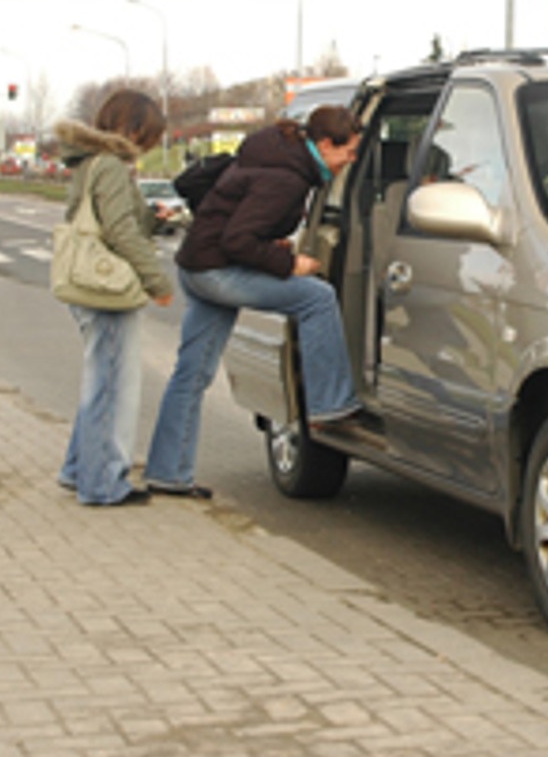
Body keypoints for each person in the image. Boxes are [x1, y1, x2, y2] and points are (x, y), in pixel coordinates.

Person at [142, 106, 365, 499]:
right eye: (348, 153)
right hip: (216, 272)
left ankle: (168, 473)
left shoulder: (274, 154)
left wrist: (268, 245)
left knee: (191, 375)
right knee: (317, 297)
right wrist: (290, 262)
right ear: (326, 144)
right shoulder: (288, 179)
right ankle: (330, 406)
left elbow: (239, 226)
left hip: (198, 265)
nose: (351, 161)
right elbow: (238, 241)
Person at [54, 91, 175, 507]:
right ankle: (103, 483)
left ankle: (78, 470)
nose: (149, 146)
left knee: (98, 381)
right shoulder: (108, 165)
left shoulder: (90, 161)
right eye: (150, 137)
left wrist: (151, 220)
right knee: (110, 386)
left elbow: (116, 221)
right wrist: (157, 281)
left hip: (88, 283)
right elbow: (119, 231)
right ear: (134, 128)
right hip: (103, 289)